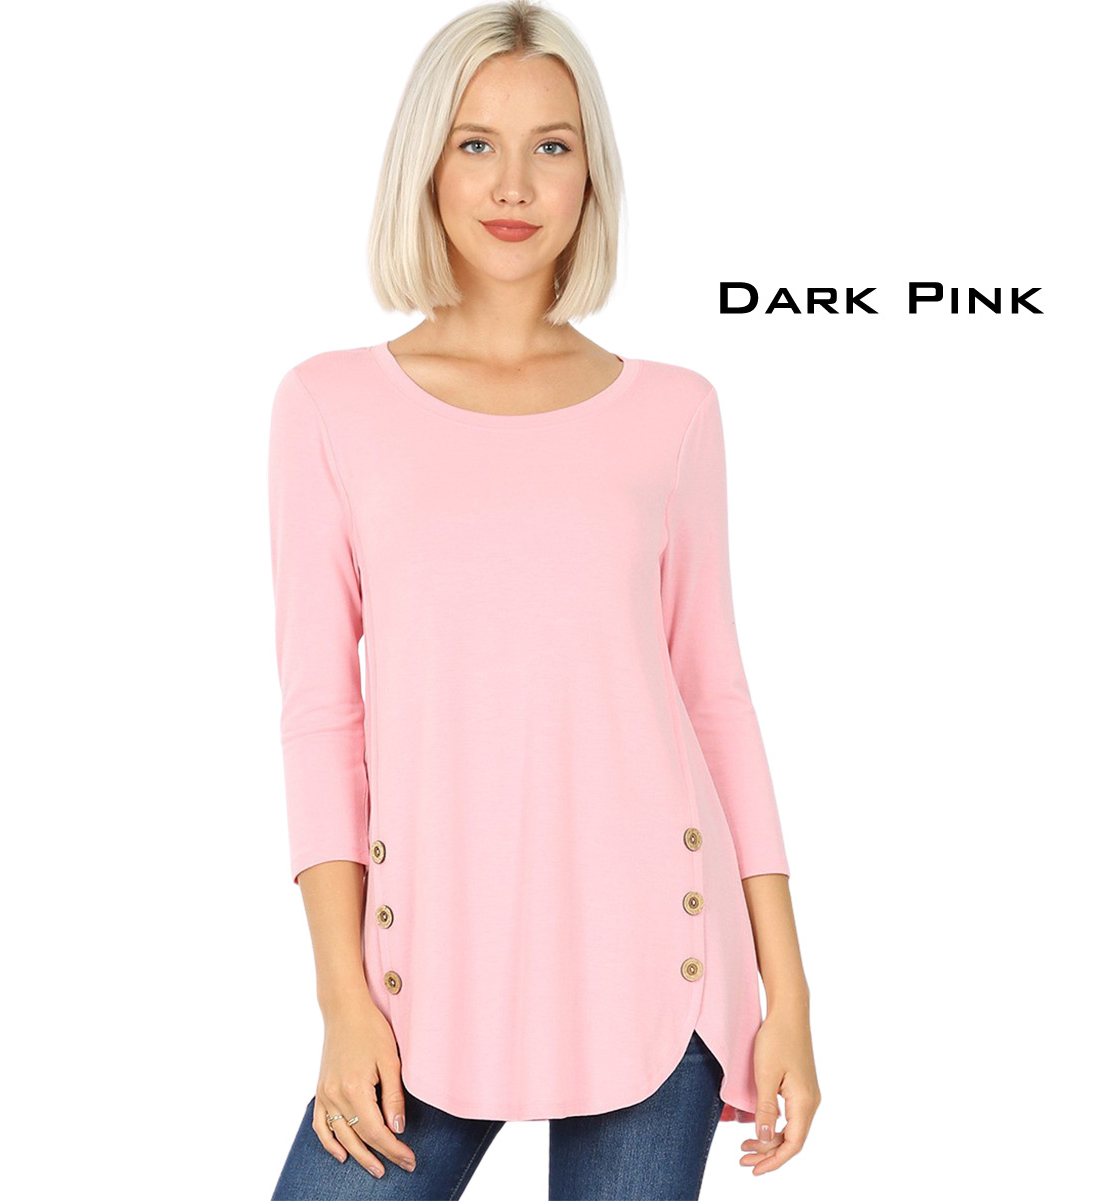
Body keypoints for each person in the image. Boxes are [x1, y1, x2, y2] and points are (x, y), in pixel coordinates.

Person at [267, 4, 820, 1197]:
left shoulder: (674, 410)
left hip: (660, 957)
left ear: (590, 174)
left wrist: (790, 993)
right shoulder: (328, 406)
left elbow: (715, 699)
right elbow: (321, 719)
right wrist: (341, 999)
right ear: (426, 163)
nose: (513, 183)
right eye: (476, 143)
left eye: (551, 146)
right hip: (427, 969)